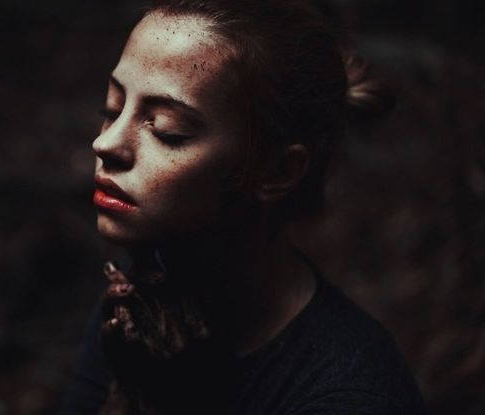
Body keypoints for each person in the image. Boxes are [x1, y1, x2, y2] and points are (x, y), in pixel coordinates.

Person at [61, 0, 427, 414]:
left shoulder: (350, 396)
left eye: (167, 131)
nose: (105, 144)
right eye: (112, 109)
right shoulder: (143, 299)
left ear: (276, 171)